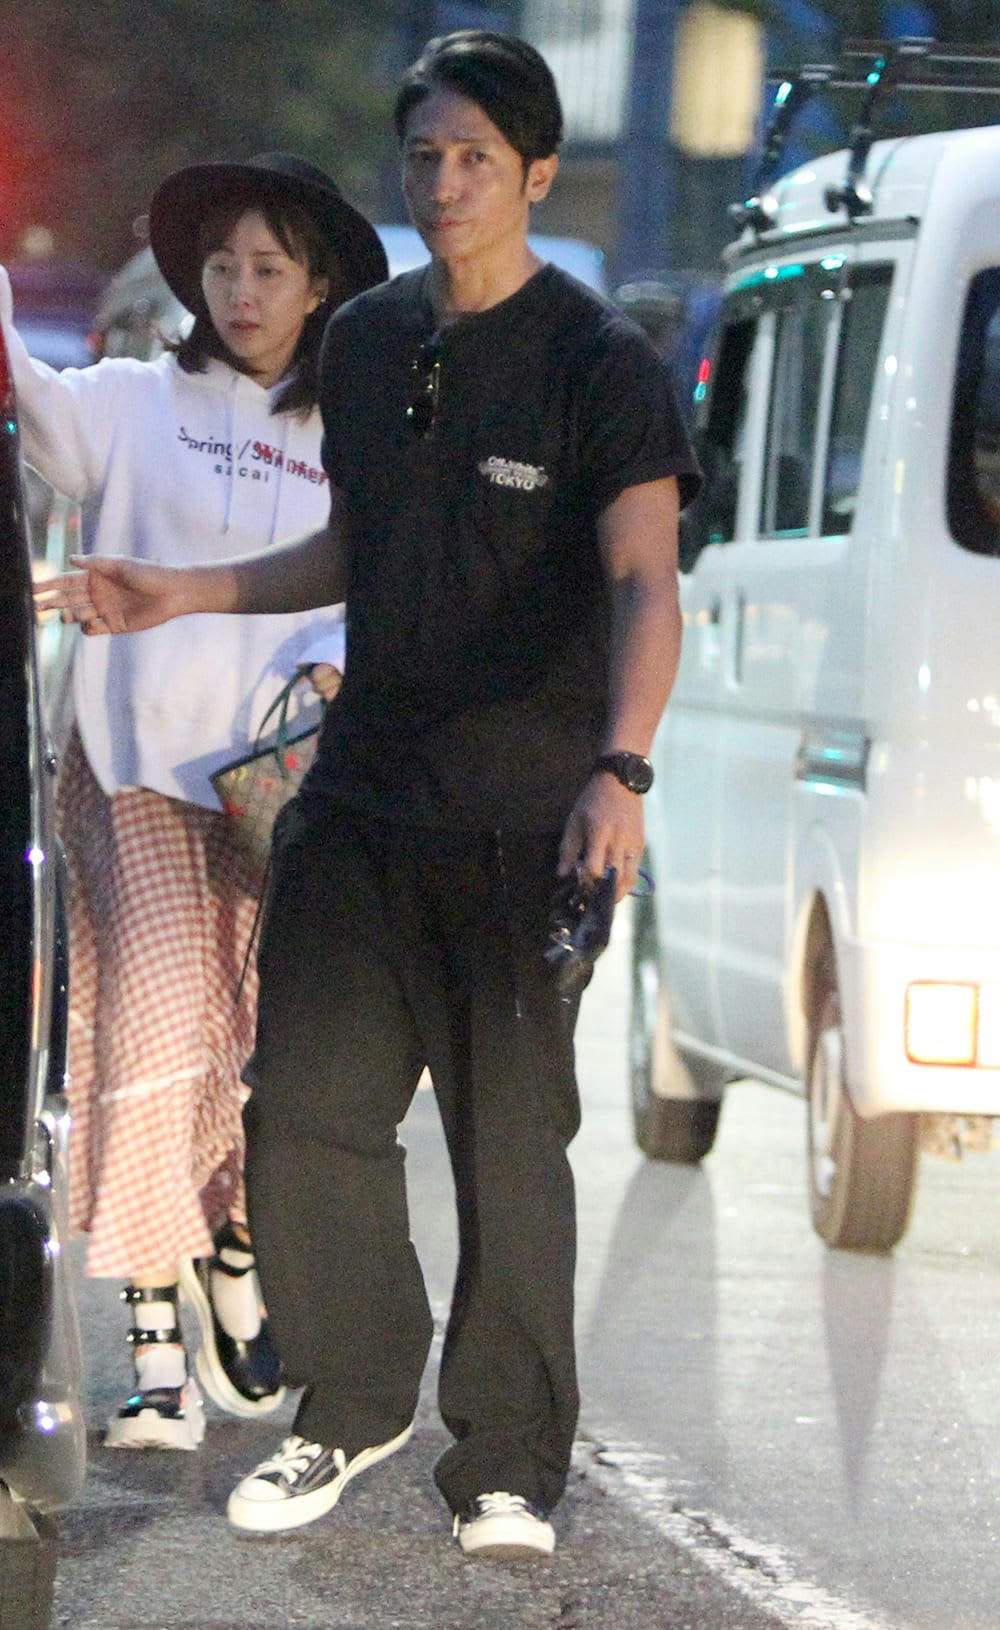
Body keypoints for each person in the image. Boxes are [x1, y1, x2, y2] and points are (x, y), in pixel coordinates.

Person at [35, 32, 700, 1552]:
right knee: (303, 1117)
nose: (446, 183)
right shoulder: (373, 340)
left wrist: (621, 768)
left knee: (508, 1147)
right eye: (426, 158)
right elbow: (355, 546)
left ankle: (509, 1457)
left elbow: (645, 583)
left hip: (527, 818)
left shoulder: (601, 362)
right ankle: (349, 1402)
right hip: (359, 803)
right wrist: (185, 590)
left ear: (537, 173)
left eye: (476, 159)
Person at [11, 152, 387, 1449]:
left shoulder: (347, 429)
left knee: (252, 1044)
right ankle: (154, 1352)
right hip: (136, 774)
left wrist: (328, 668)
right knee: (152, 1036)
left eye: (270, 268)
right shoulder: (129, 402)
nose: (241, 289)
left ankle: (231, 1241)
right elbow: (28, 397)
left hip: (282, 790)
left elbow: (368, 584)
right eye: (222, 265)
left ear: (319, 285)